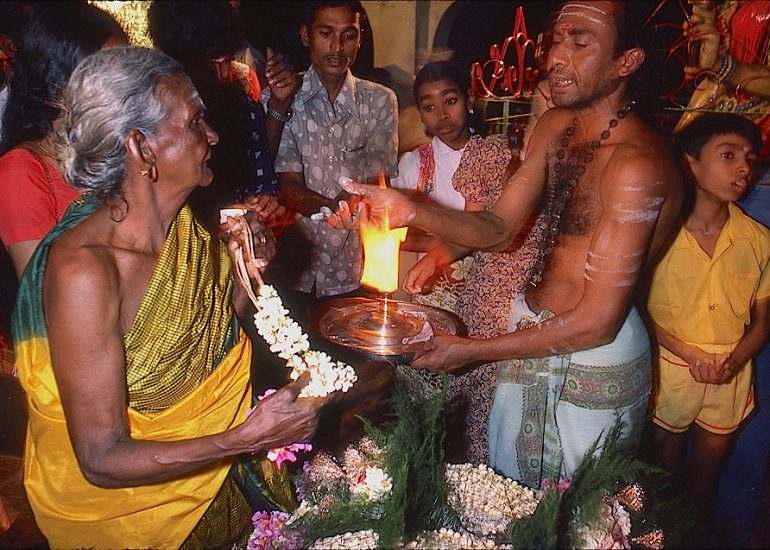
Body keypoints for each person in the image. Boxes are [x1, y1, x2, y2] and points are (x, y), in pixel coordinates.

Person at [342, 1, 683, 487]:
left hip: (590, 360)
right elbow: (499, 227)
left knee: (577, 522)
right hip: (526, 332)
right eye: (556, 41)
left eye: (580, 43)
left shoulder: (635, 165)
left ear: (625, 61)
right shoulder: (555, 127)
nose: (556, 59)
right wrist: (409, 209)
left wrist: (474, 350)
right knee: (508, 503)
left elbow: (595, 323)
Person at [12, 46, 326, 548]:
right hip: (131, 521)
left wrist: (247, 268)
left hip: (219, 491)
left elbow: (216, 330)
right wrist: (243, 439)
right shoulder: (86, 272)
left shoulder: (187, 226)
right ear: (140, 149)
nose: (214, 135)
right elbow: (99, 458)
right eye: (196, 122)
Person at [646, 113, 770, 515]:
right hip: (669, 369)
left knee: (702, 486)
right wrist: (687, 353)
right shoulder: (659, 233)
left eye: (749, 158)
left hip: (730, 376)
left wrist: (730, 362)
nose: (743, 168)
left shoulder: (759, 240)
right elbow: (639, 313)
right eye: (728, 155)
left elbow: (762, 322)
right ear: (691, 162)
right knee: (658, 483)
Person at [270, 0, 398, 316]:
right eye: (326, 33)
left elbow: (375, 177)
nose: (337, 46)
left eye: (349, 35)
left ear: (360, 39)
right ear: (306, 35)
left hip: (353, 269)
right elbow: (287, 183)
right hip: (292, 266)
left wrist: (348, 207)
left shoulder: (380, 101)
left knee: (349, 361)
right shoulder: (283, 97)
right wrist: (331, 208)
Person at [0, 2, 126, 277]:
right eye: (106, 75)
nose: (124, 88)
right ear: (56, 83)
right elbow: (43, 297)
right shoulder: (21, 172)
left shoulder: (119, 151)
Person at [148, 0, 296, 231]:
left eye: (228, 61)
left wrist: (257, 207)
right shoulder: (148, 124)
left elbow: (260, 184)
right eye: (215, 63)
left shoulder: (242, 109)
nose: (226, 73)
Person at [390, 60, 478, 313]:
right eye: (429, 107)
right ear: (420, 114)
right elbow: (394, 232)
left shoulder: (494, 157)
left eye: (450, 101)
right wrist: (434, 246)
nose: (442, 115)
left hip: (487, 288)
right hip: (431, 292)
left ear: (469, 99)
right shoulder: (414, 164)